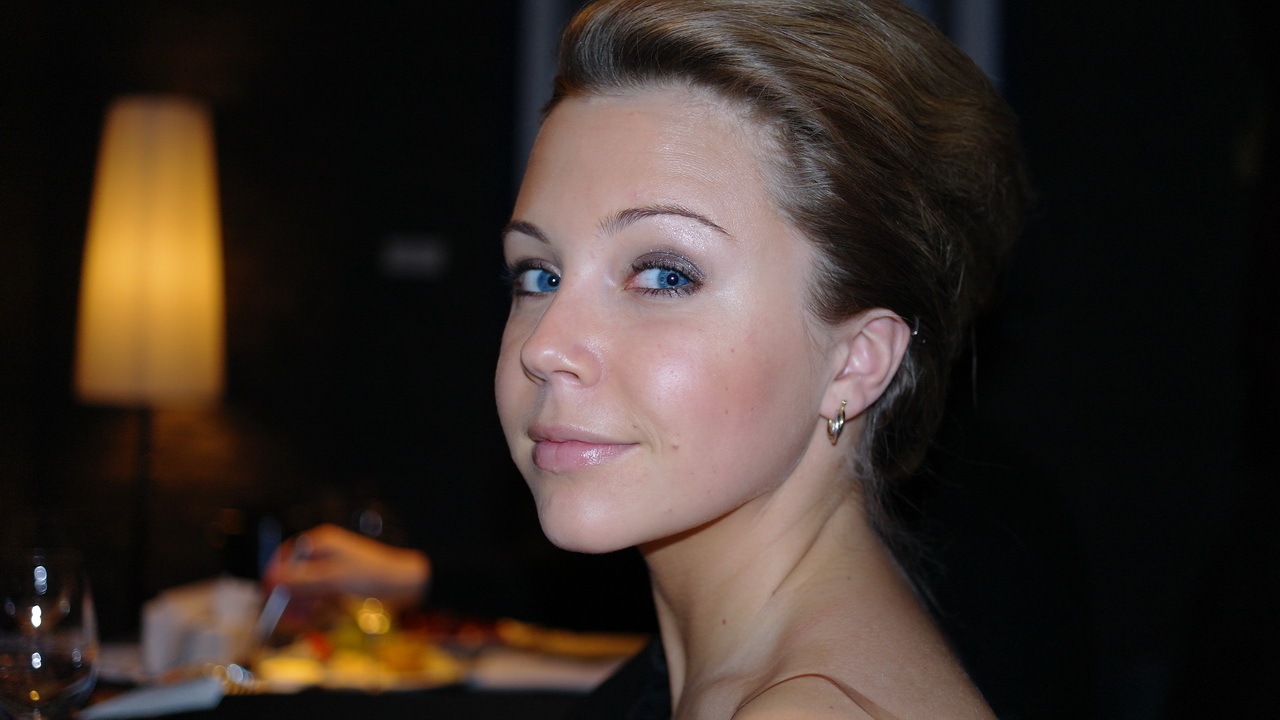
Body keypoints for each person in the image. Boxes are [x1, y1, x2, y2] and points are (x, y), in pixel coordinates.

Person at [273, 0, 1029, 716]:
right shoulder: (712, 666)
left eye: (665, 276)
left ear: (856, 363)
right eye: (538, 275)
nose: (543, 347)